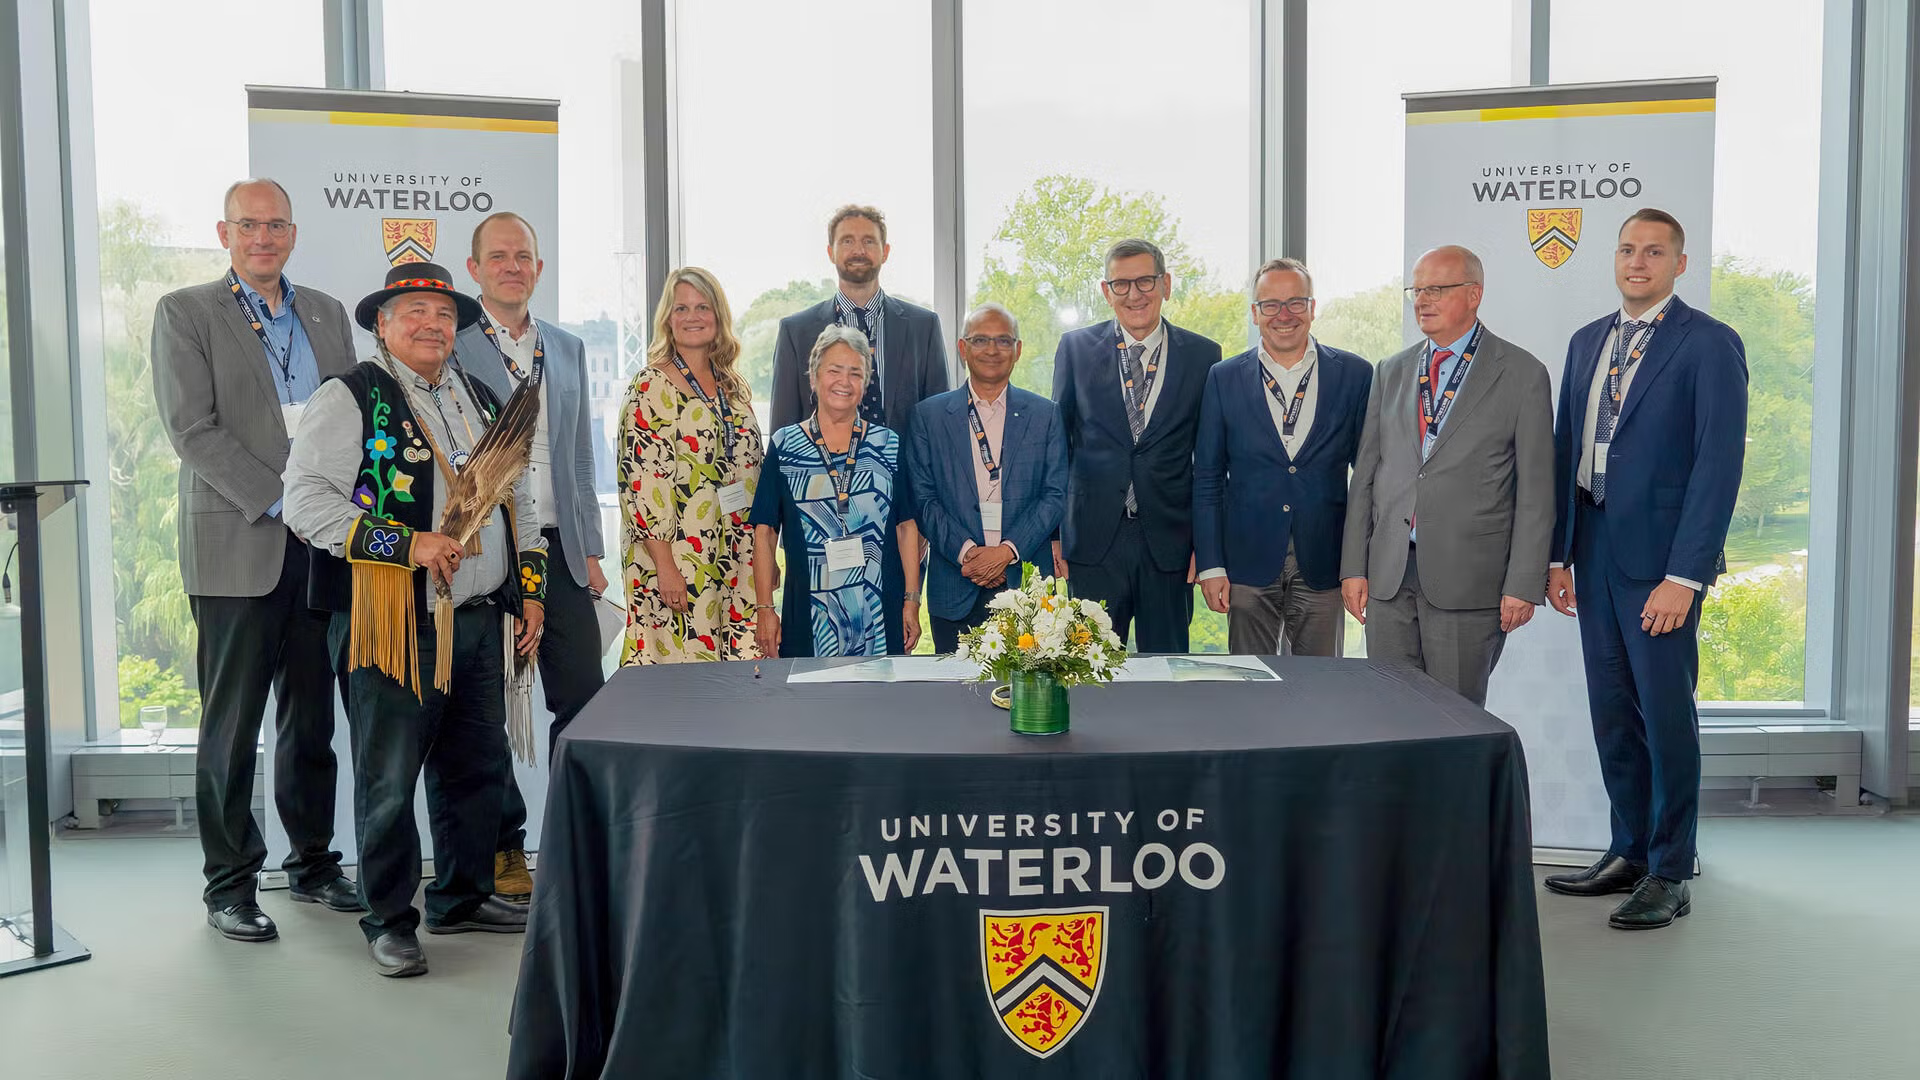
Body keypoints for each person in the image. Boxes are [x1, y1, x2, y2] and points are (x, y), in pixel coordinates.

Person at [284, 262, 546, 977]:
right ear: (383, 325)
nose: (430, 323)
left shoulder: (485, 398)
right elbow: (306, 503)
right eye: (413, 312)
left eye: (440, 312)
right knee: (389, 777)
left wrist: (531, 592)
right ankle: (389, 919)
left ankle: (461, 896)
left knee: (474, 768)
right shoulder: (351, 396)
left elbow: (521, 505)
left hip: (477, 618)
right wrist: (407, 544)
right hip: (390, 619)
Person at [149, 178, 362, 942]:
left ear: (293, 233)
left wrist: (340, 505)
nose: (263, 237)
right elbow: (192, 430)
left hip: (321, 551)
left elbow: (355, 415)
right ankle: (230, 883)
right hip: (242, 538)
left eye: (276, 225)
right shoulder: (185, 314)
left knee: (312, 720)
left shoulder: (329, 315)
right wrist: (284, 499)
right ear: (224, 232)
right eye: (249, 225)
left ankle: (313, 864)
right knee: (232, 724)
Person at [1541, 210, 1748, 931]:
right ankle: (1628, 850)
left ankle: (1670, 867)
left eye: (1654, 251)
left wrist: (1684, 576)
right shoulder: (1587, 340)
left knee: (1666, 718)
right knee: (1612, 715)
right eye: (1627, 249)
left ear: (1679, 264)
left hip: (1660, 565)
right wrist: (1559, 553)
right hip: (1593, 553)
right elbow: (1570, 450)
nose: (1638, 262)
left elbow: (1718, 468)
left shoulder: (1710, 345)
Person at [455, 212, 607, 905]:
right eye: (499, 257)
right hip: (493, 553)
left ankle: (575, 840)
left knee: (579, 702)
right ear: (475, 268)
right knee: (488, 711)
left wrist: (595, 551)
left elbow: (579, 456)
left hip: (563, 552)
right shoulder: (454, 347)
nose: (513, 266)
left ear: (539, 269)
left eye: (524, 257)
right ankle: (505, 844)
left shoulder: (568, 348)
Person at [1339, 245, 1553, 707]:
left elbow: (1537, 492)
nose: (1422, 300)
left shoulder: (1521, 373)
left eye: (1437, 289)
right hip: (1389, 578)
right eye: (1417, 290)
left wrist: (1523, 583)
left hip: (1469, 582)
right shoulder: (1391, 371)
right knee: (1390, 717)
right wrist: (1354, 566)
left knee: (1456, 722)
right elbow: (1367, 476)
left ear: (1474, 294)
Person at [1194, 257, 1372, 656]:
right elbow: (1206, 477)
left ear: (1312, 307)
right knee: (1250, 690)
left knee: (1321, 689)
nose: (1284, 315)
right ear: (1255, 313)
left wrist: (1359, 563)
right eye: (1271, 305)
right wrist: (1211, 565)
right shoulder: (1222, 378)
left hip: (1325, 560)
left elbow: (1367, 479)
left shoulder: (1356, 375)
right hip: (1246, 563)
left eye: (1295, 302)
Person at [1051, 238, 1222, 653]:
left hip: (1170, 543)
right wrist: (1055, 536)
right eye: (1121, 284)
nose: (1134, 295)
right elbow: (1059, 446)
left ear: (1165, 283)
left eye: (1145, 281)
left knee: (1167, 674)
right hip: (1092, 542)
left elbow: (1209, 462)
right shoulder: (1074, 349)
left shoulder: (1204, 355)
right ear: (1106, 291)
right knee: (1087, 672)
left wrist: (1206, 545)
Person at [751, 325, 923, 657]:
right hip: (807, 614)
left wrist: (912, 601)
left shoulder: (887, 445)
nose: (844, 382)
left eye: (855, 373)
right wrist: (764, 609)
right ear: (813, 378)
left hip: (880, 611)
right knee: (809, 707)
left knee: (879, 706)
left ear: (866, 383)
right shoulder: (785, 445)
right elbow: (764, 532)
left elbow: (906, 527)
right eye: (834, 370)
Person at [619, 267, 762, 663]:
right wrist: (665, 567)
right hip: (678, 560)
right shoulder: (650, 386)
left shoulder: (733, 388)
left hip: (736, 557)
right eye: (681, 307)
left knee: (737, 681)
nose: (692, 316)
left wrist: (760, 557)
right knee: (682, 678)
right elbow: (642, 484)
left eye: (702, 306)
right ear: (667, 318)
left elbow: (751, 472)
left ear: (718, 317)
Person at [908, 304, 1068, 652]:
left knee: (1028, 698)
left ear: (1018, 350)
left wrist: (1006, 552)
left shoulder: (1046, 414)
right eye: (980, 340)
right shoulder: (928, 416)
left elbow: (1055, 495)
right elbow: (923, 498)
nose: (992, 350)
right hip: (955, 581)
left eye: (1003, 340)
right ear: (963, 348)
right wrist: (968, 553)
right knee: (955, 698)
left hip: (1026, 584)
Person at [769, 204, 950, 435]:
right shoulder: (795, 332)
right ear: (830, 252)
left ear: (885, 252)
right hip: (820, 470)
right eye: (847, 241)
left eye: (869, 241)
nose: (858, 250)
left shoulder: (924, 327)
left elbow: (937, 422)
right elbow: (783, 430)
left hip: (905, 470)